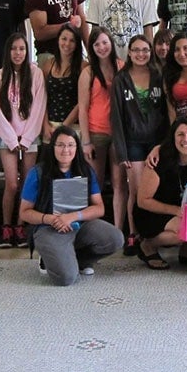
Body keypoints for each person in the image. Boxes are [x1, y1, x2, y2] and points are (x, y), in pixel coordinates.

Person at [20, 126, 124, 285]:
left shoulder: (86, 170)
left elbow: (99, 208)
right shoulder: (37, 173)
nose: (65, 150)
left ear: (77, 147)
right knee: (66, 278)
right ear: (52, 147)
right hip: (47, 227)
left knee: (115, 238)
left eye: (70, 145)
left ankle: (79, 259)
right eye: (60, 145)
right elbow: (24, 212)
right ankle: (47, 258)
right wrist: (50, 219)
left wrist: (73, 216)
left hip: (79, 224)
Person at [111, 34, 169, 242]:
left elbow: (166, 111)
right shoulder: (121, 79)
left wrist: (164, 143)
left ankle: (150, 232)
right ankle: (134, 233)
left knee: (153, 190)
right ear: (129, 52)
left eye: (145, 50)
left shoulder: (158, 75)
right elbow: (116, 116)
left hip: (155, 141)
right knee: (135, 190)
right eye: (136, 50)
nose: (141, 54)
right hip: (132, 141)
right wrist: (121, 151)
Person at [134, 118, 187, 270]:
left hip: (183, 211)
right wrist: (177, 211)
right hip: (152, 212)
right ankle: (147, 245)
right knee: (186, 229)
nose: (186, 139)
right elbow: (143, 201)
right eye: (180, 134)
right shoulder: (158, 159)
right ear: (173, 137)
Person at [0, 32, 46, 248]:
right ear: (8, 51)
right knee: (12, 184)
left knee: (27, 184)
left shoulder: (36, 73)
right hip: (7, 137)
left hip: (30, 137)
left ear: (27, 50)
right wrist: (13, 139)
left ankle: (21, 225)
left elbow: (39, 106)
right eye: (14, 49)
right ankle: (7, 226)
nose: (18, 53)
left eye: (22, 49)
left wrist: (28, 136)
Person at [78, 27, 129, 242]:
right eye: (96, 44)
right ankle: (93, 231)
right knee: (94, 184)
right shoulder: (88, 72)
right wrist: (85, 141)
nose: (101, 47)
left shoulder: (122, 67)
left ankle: (117, 231)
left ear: (111, 43)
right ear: (92, 48)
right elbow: (82, 108)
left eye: (104, 42)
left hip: (119, 134)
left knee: (119, 184)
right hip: (96, 133)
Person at [40, 24, 85, 140]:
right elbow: (42, 97)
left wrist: (63, 127)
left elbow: (83, 101)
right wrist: (45, 125)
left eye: (72, 41)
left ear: (77, 44)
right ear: (58, 40)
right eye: (64, 39)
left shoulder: (83, 67)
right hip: (50, 125)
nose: (67, 44)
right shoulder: (48, 65)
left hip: (74, 126)